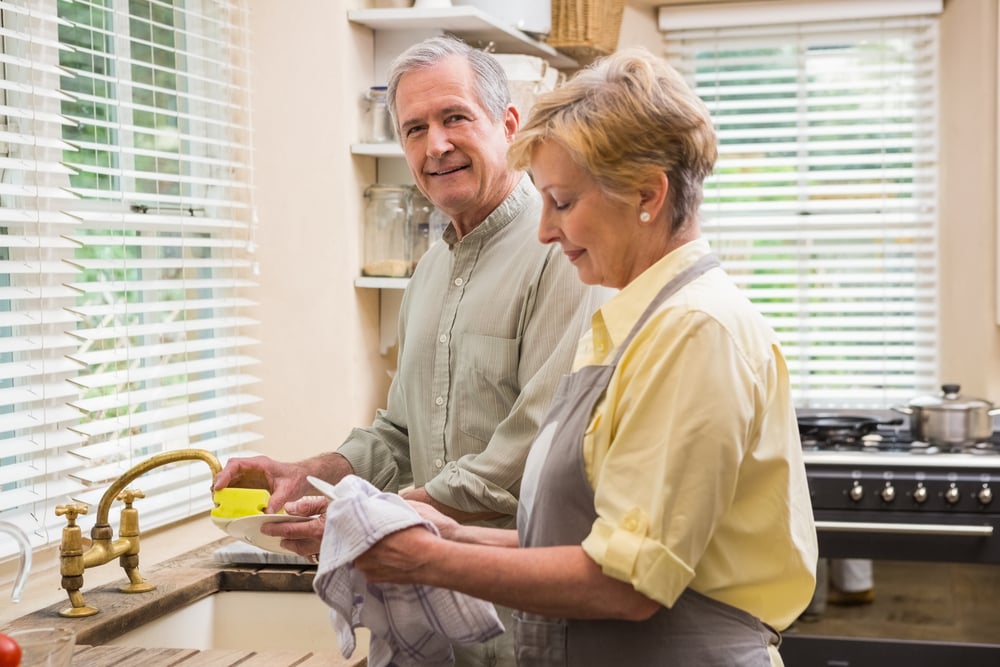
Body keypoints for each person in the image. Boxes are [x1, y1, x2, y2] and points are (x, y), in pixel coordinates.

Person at [349, 47, 819, 666]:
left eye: (563, 203)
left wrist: (429, 559)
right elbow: (594, 538)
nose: (543, 230)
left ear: (648, 195)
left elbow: (627, 581)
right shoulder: (634, 323)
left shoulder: (695, 332)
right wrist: (449, 532)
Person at [213, 36, 596, 666]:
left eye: (454, 118)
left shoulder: (561, 254)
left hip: (524, 620)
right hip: (431, 612)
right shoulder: (429, 270)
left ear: (508, 124)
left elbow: (532, 447)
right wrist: (308, 472)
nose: (435, 146)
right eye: (414, 128)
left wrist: (367, 518)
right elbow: (397, 434)